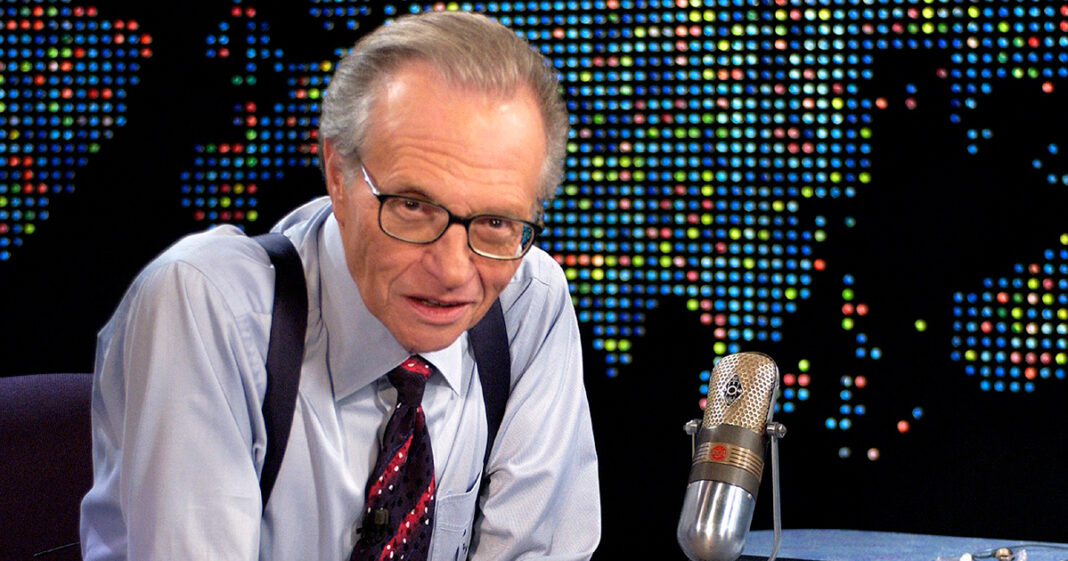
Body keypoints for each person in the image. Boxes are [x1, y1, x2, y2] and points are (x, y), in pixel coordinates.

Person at [80, 11, 600, 561]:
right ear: (337, 173)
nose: (452, 271)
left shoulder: (528, 302)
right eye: (412, 206)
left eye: (495, 221)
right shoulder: (207, 306)